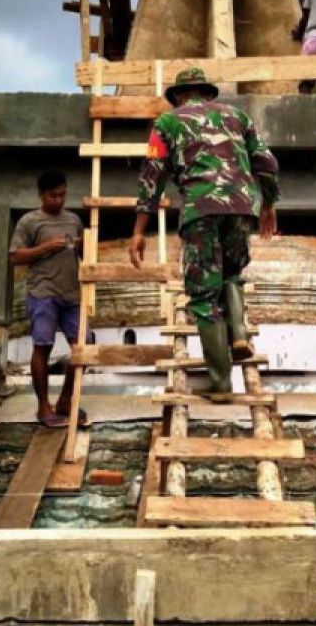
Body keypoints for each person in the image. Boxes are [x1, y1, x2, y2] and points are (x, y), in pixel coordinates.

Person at [129, 67, 280, 396]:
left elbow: (150, 177)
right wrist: (268, 204)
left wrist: (139, 229)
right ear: (208, 94)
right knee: (231, 273)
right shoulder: (237, 116)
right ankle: (238, 334)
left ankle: (221, 382)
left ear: (179, 96)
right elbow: (266, 162)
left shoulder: (167, 123)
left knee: (202, 295)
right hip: (241, 208)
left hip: (201, 211)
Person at [9, 170, 90, 428]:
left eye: (63, 195)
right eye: (54, 195)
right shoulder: (29, 222)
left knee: (84, 346)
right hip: (43, 293)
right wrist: (46, 247)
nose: (59, 200)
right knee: (42, 346)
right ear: (41, 195)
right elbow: (15, 256)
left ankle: (66, 400)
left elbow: (84, 253)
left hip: (72, 294)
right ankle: (43, 407)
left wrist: (81, 246)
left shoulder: (74, 219)